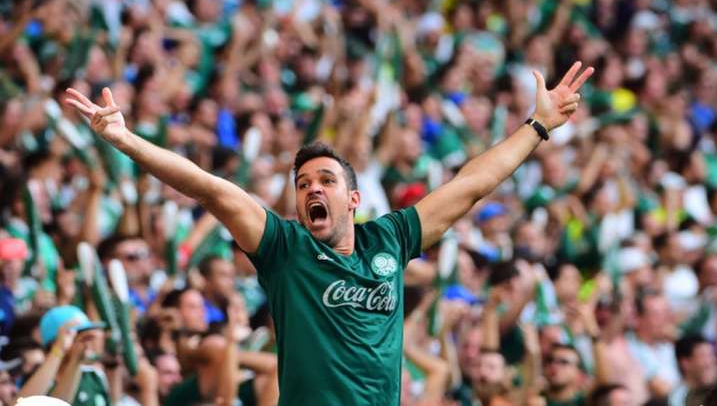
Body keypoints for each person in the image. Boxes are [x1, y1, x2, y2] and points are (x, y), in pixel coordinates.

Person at [64, 62, 593, 405]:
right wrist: (127, 141)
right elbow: (211, 190)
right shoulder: (284, 247)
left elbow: (472, 185)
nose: (312, 189)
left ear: (353, 200)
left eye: (326, 180)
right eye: (302, 184)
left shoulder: (390, 239)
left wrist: (537, 127)